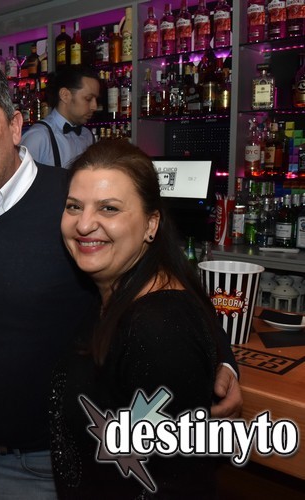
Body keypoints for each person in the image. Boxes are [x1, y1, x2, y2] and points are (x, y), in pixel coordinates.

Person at [0, 61, 241, 499]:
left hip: (45, 467)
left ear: (15, 127)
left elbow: (163, 281)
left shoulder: (76, 205)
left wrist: (221, 359)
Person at [51, 139, 220, 498]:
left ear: (151, 224)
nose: (84, 224)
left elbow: (173, 484)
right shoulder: (111, 291)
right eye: (74, 206)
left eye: (109, 208)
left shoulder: (158, 327)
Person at [20, 67, 100, 168]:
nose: (94, 106)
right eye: (88, 99)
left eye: (96, 99)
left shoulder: (87, 135)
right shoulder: (38, 137)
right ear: (65, 95)